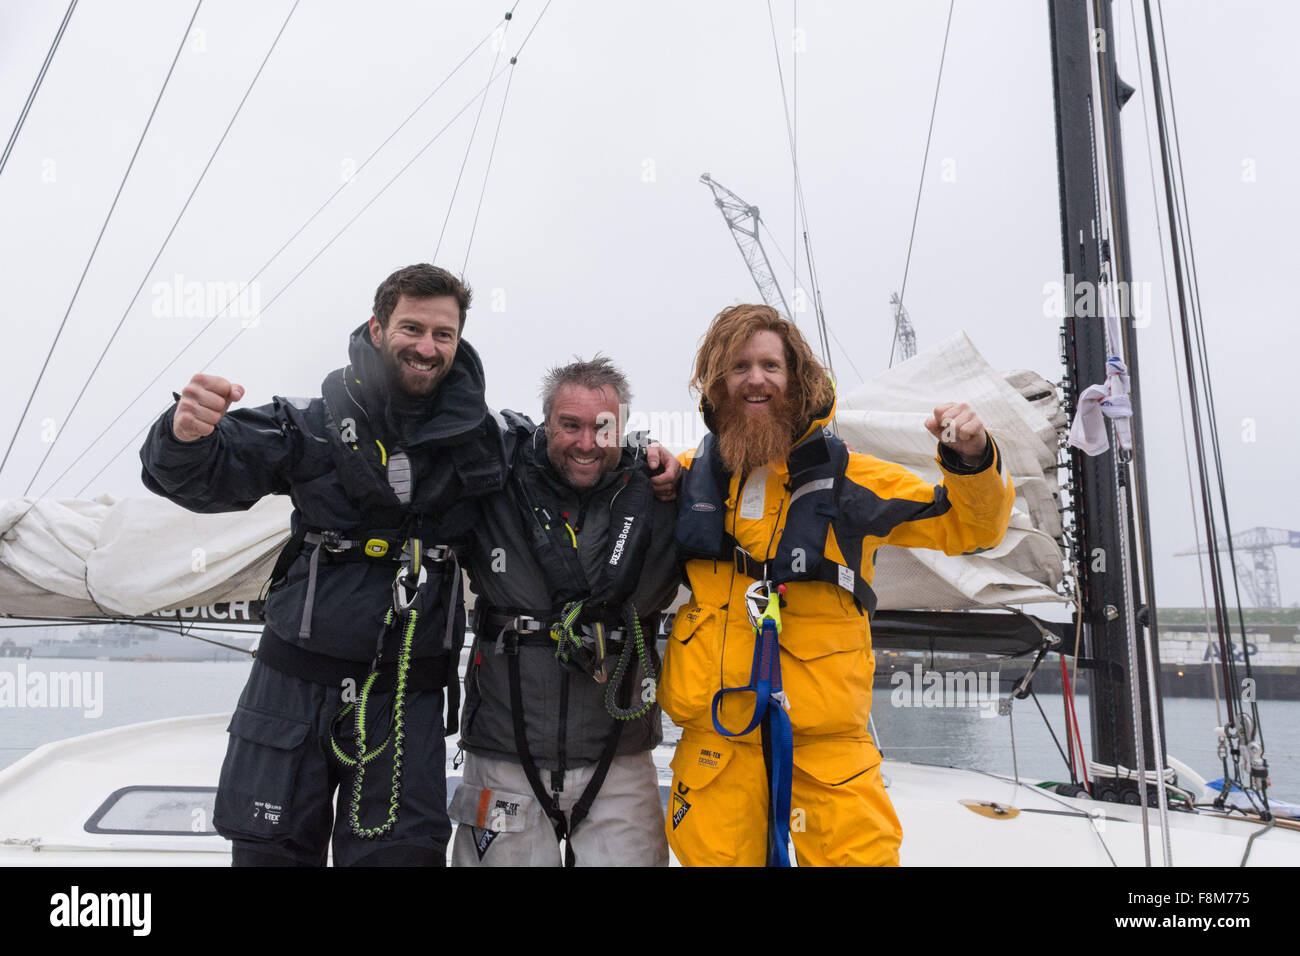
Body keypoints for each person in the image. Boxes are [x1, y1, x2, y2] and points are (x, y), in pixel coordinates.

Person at [140, 263, 506, 866]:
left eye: (443, 334)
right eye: (412, 328)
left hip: (405, 698)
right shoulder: (307, 425)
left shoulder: (488, 440)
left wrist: (653, 468)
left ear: (458, 340)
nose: (426, 346)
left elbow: (570, 469)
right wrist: (184, 435)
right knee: (270, 855)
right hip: (290, 691)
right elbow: (199, 475)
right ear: (378, 325)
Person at [659, 304, 1016, 867]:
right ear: (716, 383)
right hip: (714, 754)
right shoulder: (680, 481)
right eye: (738, 366)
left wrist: (970, 458)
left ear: (798, 379)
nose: (756, 379)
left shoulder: (855, 481)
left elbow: (972, 527)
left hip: (827, 757)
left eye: (771, 366)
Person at [450, 356, 681, 866]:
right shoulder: (495, 485)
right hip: (504, 757)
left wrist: (678, 469)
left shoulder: (666, 496)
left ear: (622, 429)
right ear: (544, 424)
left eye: (602, 427)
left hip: (619, 760)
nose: (585, 442)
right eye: (568, 425)